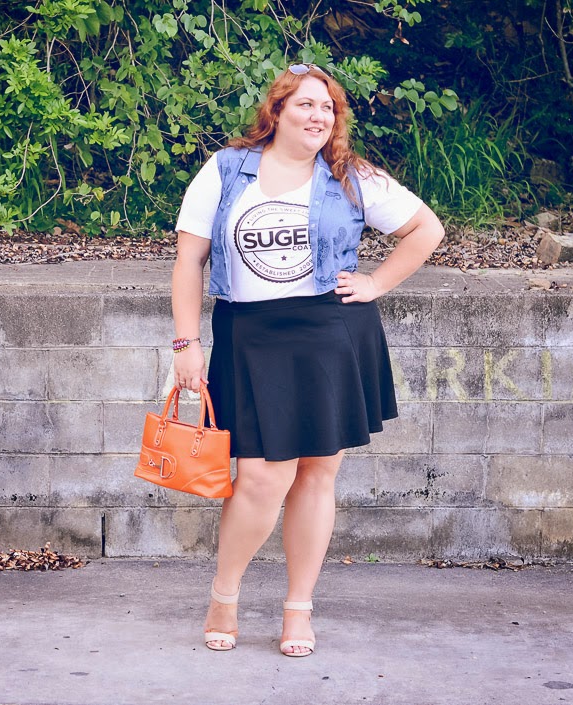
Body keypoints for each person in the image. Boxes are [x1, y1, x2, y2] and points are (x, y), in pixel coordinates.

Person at [170, 63, 445, 657]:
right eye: (305, 105)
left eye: (328, 108)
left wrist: (374, 283)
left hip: (330, 331)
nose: (318, 116)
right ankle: (226, 593)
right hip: (250, 334)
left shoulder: (351, 177)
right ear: (277, 111)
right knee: (264, 477)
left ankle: (299, 608)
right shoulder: (224, 171)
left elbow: (426, 229)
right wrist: (186, 343)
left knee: (318, 471)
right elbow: (188, 262)